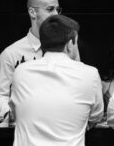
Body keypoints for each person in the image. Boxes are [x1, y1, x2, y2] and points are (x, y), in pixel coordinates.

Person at [9, 15, 103, 146]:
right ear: (70, 44)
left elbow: (15, 113)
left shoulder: (21, 71)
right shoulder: (90, 74)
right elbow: (96, 116)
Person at [0, 0, 76, 123]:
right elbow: (1, 95)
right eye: (50, 9)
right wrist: (9, 115)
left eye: (57, 9)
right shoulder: (11, 53)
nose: (56, 14)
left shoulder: (68, 48)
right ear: (32, 12)